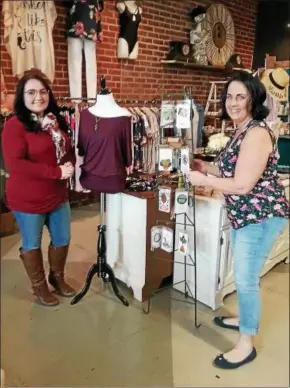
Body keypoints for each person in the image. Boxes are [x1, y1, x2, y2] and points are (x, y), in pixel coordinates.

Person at [188, 70, 289, 369]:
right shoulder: (241, 130)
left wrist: (199, 179)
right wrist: (204, 166)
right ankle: (244, 319)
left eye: (240, 96)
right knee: (245, 275)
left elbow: (243, 184)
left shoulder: (257, 133)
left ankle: (247, 344)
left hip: (260, 217)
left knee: (245, 280)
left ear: (253, 99)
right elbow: (226, 170)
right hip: (246, 217)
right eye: (229, 96)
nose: (233, 102)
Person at [2, 69, 76, 307]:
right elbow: (16, 165)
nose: (38, 97)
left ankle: (57, 277)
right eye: (31, 92)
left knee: (62, 238)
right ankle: (39, 287)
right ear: (21, 96)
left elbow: (66, 150)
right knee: (32, 243)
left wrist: (70, 164)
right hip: (28, 198)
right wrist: (55, 172)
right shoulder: (15, 125)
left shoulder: (55, 121)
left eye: (43, 91)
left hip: (57, 193)